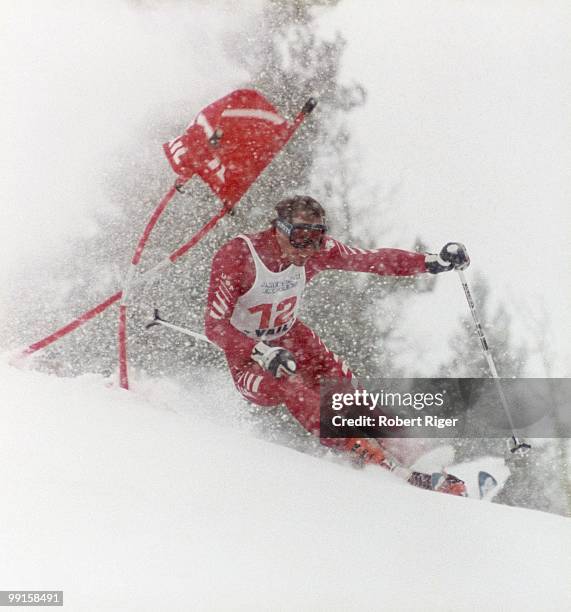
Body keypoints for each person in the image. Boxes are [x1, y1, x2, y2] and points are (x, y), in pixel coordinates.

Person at [205, 195, 470, 496]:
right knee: (288, 384)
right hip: (249, 358)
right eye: (300, 237)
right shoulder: (239, 256)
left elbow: (372, 260)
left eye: (317, 237)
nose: (308, 249)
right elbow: (214, 326)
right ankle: (373, 462)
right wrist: (260, 351)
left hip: (292, 337)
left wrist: (430, 262)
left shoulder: (316, 251)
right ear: (278, 229)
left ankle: (423, 460)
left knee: (349, 394)